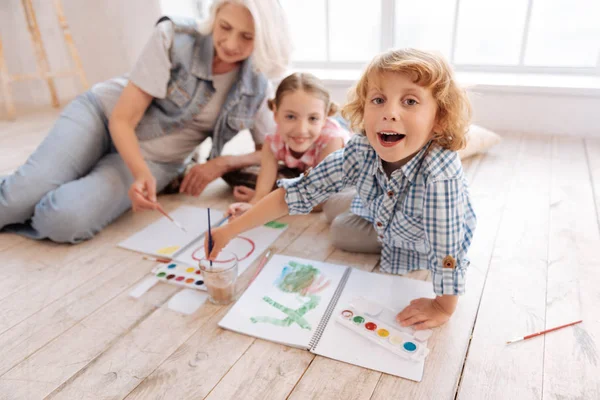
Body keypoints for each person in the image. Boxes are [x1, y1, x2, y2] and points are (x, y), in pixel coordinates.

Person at [205, 48, 477, 330]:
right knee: (334, 206)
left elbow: (449, 247)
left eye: (409, 101)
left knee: (339, 230)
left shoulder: (440, 175)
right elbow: (298, 192)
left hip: (420, 240)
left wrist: (443, 306)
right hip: (378, 211)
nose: (390, 113)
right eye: (378, 100)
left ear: (439, 119)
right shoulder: (361, 148)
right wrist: (229, 230)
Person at [0, 0, 291, 243]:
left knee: (62, 220)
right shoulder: (174, 37)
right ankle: (28, 186)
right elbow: (122, 119)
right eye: (224, 27)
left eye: (247, 37)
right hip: (102, 118)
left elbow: (272, 149)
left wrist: (223, 163)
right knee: (16, 199)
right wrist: (140, 174)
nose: (230, 43)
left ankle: (39, 184)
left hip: (157, 161)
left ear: (264, 38)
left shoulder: (259, 84)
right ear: (215, 15)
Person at [226, 72, 350, 219]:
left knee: (332, 203)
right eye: (291, 116)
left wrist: (270, 202)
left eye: (313, 118)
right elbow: (260, 195)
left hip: (337, 181)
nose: (301, 129)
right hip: (303, 171)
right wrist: (253, 206)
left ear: (324, 119)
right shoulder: (273, 139)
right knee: (230, 173)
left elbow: (318, 201)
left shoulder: (331, 141)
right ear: (276, 115)